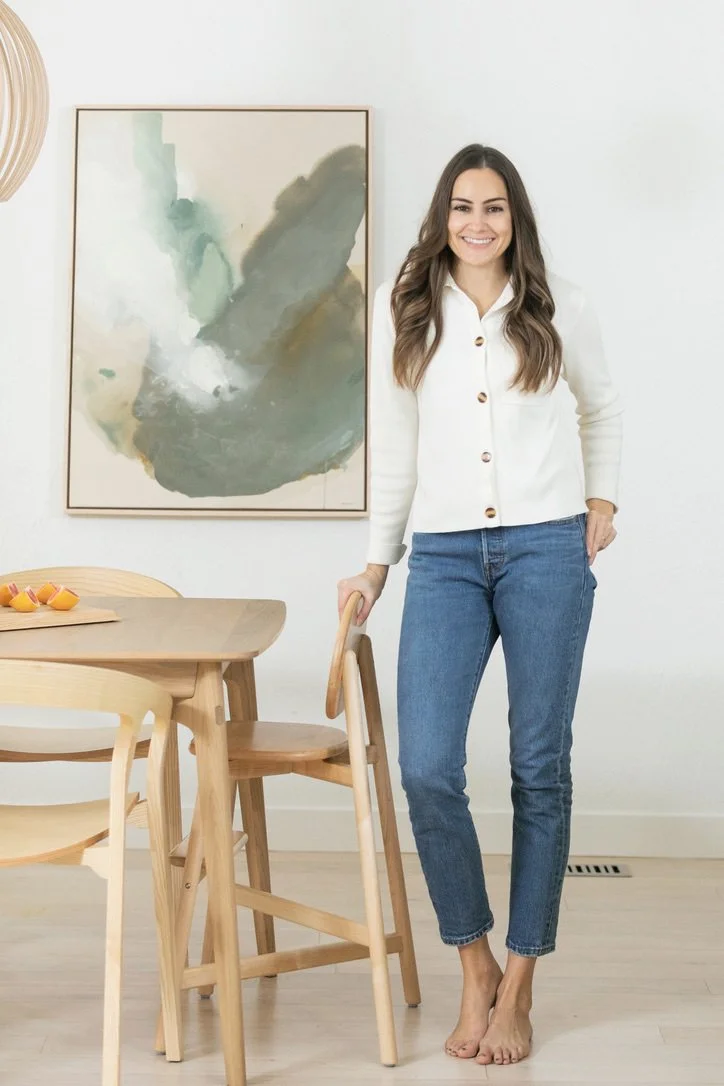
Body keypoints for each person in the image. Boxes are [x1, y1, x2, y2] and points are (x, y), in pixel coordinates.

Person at [337, 144, 623, 1067]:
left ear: (515, 218)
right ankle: (473, 963)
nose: (477, 223)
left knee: (540, 770)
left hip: (547, 548)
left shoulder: (557, 304)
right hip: (448, 557)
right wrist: (378, 565)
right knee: (425, 765)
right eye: (462, 206)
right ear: (442, 215)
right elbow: (394, 443)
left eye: (494, 207)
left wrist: (602, 504)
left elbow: (602, 407)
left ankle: (523, 984)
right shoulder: (408, 308)